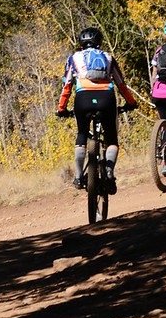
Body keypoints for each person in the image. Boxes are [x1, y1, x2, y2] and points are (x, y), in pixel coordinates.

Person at [57, 27, 138, 194]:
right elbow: (121, 84)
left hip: (83, 99)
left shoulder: (74, 58)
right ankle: (109, 171)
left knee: (81, 135)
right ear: (99, 41)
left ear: (81, 42)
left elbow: (67, 86)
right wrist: (131, 103)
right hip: (106, 98)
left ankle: (79, 176)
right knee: (111, 139)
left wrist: (62, 108)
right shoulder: (108, 57)